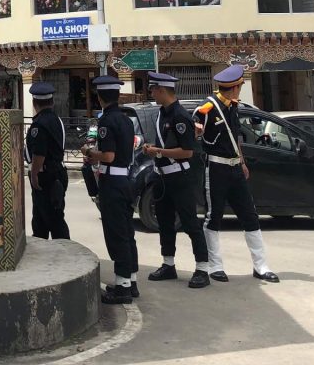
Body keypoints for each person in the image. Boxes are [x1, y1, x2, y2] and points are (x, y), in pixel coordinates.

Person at [196, 65, 279, 283]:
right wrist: (197, 130)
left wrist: (241, 161)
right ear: (233, 88)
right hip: (215, 168)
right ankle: (215, 266)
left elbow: (235, 137)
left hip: (234, 167)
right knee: (213, 217)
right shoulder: (208, 108)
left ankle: (261, 266)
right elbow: (196, 125)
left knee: (249, 215)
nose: (240, 90)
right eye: (240, 87)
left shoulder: (233, 106)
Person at [143, 72, 210, 289]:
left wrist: (159, 152)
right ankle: (168, 264)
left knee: (190, 224)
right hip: (163, 177)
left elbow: (188, 152)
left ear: (162, 90)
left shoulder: (180, 116)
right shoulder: (162, 113)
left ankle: (202, 269)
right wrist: (153, 151)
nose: (151, 92)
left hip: (180, 177)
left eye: (153, 89)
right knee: (164, 223)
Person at [82, 75, 138, 304]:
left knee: (116, 235)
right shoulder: (126, 120)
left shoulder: (106, 122)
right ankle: (131, 280)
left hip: (112, 183)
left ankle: (123, 286)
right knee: (127, 233)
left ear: (99, 97)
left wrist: (89, 153)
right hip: (125, 180)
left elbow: (108, 156)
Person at [26, 81, 70, 241]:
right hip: (57, 173)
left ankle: (66, 255)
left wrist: (34, 174)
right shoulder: (56, 120)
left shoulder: (40, 125)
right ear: (51, 102)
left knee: (53, 220)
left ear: (34, 103)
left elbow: (39, 153)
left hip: (46, 177)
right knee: (42, 219)